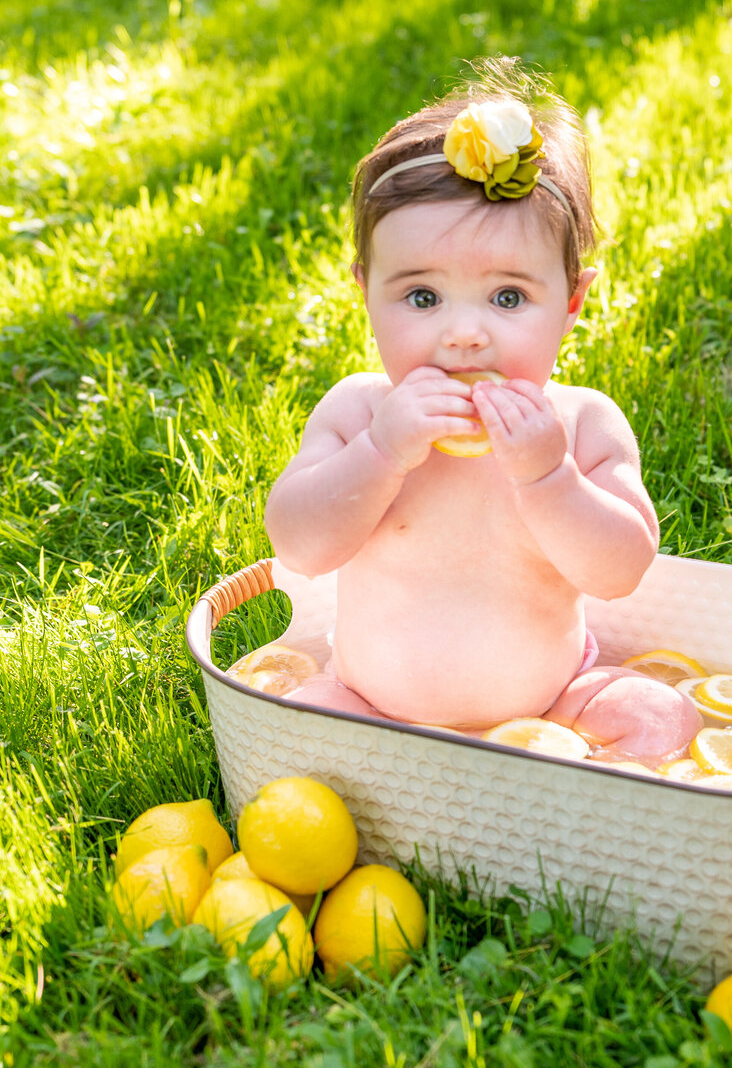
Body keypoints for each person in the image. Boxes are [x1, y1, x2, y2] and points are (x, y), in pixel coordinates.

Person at [264, 65, 698, 763]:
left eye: (506, 298)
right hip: (369, 704)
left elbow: (619, 571)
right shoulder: (358, 412)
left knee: (662, 718)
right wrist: (380, 453)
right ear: (366, 293)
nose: (465, 334)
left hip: (553, 707)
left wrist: (548, 475)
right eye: (423, 298)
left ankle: (572, 799)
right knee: (296, 729)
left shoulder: (582, 424)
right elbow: (299, 547)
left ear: (571, 301)